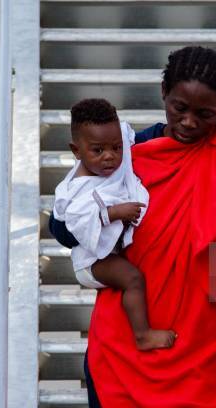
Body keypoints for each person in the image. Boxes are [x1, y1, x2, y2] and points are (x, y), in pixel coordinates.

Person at [50, 46, 216, 407]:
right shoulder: (127, 154)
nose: (189, 122)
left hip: (200, 340)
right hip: (124, 334)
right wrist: (87, 217)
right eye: (179, 108)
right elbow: (62, 228)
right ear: (163, 95)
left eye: (205, 114)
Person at [54, 98, 177, 351]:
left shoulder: (115, 154)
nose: (110, 156)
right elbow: (75, 224)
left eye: (116, 147)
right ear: (76, 151)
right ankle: (142, 335)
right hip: (91, 262)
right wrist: (113, 213)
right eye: (98, 151)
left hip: (107, 252)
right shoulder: (76, 190)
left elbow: (133, 140)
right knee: (133, 279)